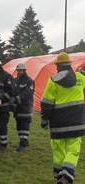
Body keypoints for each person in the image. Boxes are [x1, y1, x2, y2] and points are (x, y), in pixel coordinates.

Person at [40, 52, 85, 184]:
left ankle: (59, 175)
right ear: (70, 64)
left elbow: (47, 103)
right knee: (73, 149)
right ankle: (67, 174)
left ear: (57, 66)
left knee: (58, 150)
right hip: (77, 122)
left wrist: (44, 119)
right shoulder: (80, 78)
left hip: (58, 123)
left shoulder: (53, 80)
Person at [13, 63, 34, 152]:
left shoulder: (29, 81)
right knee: (19, 125)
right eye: (18, 70)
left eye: (20, 70)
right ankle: (24, 141)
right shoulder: (16, 80)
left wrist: (17, 98)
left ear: (24, 70)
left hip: (25, 106)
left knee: (24, 125)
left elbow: (28, 92)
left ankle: (23, 144)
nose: (18, 72)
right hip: (17, 107)